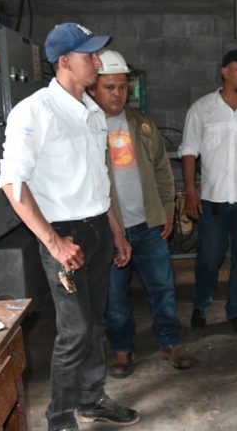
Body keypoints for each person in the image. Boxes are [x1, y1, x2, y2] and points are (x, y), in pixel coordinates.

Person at [0, 23, 139, 430]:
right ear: (64, 62)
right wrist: (54, 243)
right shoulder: (35, 111)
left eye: (97, 54)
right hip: (63, 234)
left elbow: (99, 181)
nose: (97, 61)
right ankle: (59, 416)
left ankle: (92, 398)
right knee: (75, 330)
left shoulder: (93, 112)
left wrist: (115, 231)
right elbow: (12, 183)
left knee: (95, 324)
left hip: (96, 227)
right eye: (89, 56)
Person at [88, 49, 192, 379]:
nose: (118, 94)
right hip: (109, 230)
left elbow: (162, 169)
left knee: (162, 288)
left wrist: (166, 210)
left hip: (148, 224)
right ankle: (122, 350)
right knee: (115, 296)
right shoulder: (86, 128)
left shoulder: (143, 125)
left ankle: (170, 342)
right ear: (93, 88)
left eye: (122, 87)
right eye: (109, 87)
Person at [179, 49, 237, 334]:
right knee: (210, 257)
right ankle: (201, 304)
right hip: (213, 200)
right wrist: (191, 193)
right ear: (224, 71)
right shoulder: (202, 108)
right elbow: (189, 153)